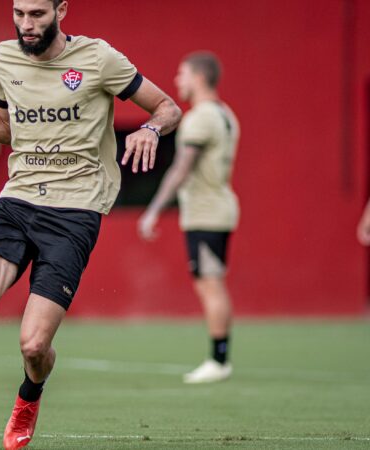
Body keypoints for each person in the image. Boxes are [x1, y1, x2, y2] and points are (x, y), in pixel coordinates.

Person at [0, 1, 181, 448]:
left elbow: (168, 107)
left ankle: (30, 395)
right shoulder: (5, 58)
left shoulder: (98, 58)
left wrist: (151, 129)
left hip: (75, 211)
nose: (26, 25)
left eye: (37, 14)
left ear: (61, 11)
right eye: (19, 14)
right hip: (17, 199)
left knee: (33, 346)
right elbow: (7, 126)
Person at [137, 51, 239, 384]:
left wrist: (152, 210)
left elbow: (181, 168)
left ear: (198, 77)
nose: (177, 81)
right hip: (218, 207)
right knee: (212, 283)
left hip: (206, 213)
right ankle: (220, 357)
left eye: (181, 74)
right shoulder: (225, 114)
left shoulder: (200, 118)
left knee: (210, 284)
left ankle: (219, 360)